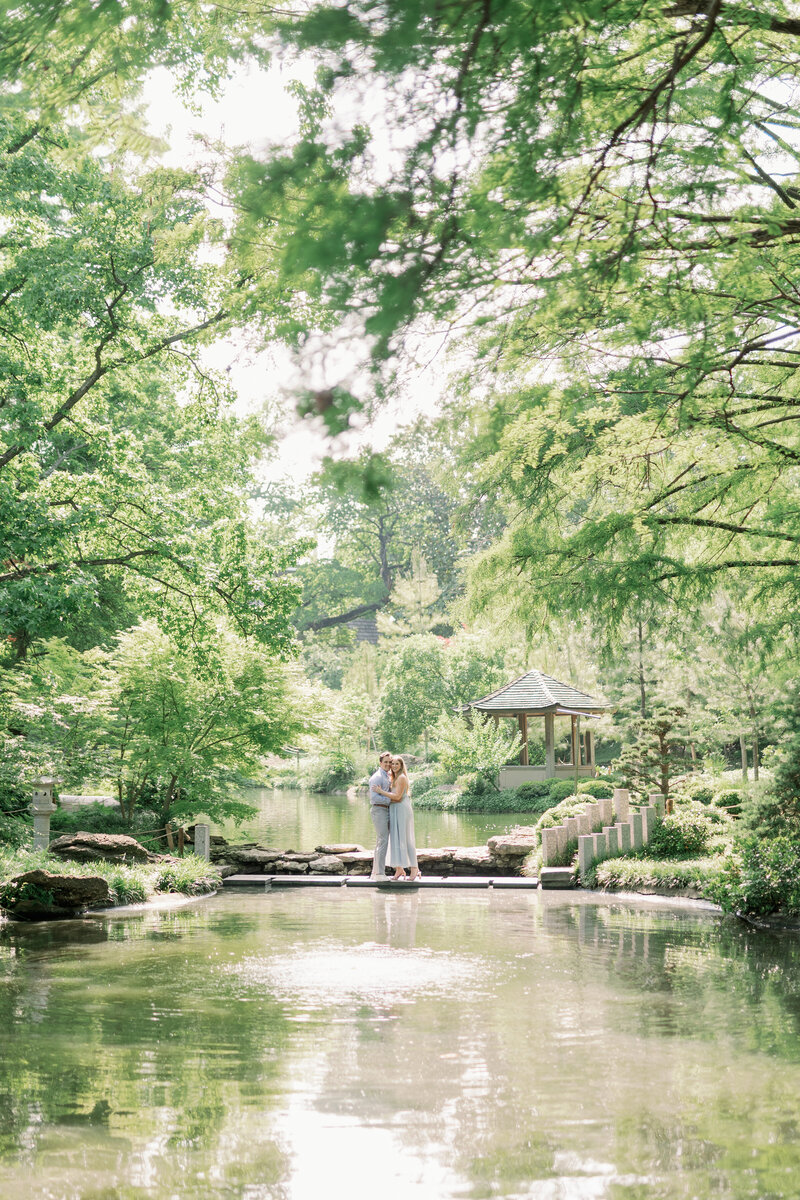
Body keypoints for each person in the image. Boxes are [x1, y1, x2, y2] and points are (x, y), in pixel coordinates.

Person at [375, 755, 421, 881]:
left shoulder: (401, 778)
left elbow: (397, 797)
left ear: (401, 766)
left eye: (396, 764)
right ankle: (399, 869)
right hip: (394, 809)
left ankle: (414, 868)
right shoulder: (393, 777)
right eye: (392, 764)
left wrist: (381, 791)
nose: (393, 766)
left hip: (402, 809)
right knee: (395, 839)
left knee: (406, 839)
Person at [368, 751, 394, 879]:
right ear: (380, 763)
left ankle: (375, 872)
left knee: (380, 841)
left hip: (385, 810)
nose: (388, 764)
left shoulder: (387, 776)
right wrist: (391, 800)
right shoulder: (377, 777)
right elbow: (374, 798)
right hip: (379, 810)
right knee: (383, 841)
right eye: (386, 762)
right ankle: (380, 873)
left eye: (390, 762)